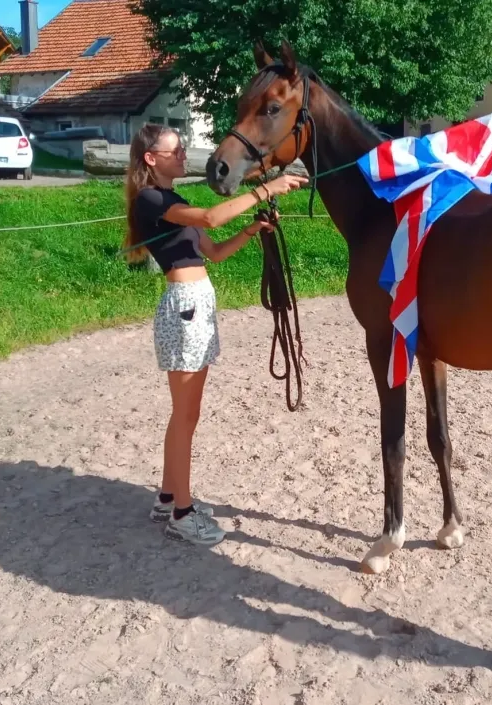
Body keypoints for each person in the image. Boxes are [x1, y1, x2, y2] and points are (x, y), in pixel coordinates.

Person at [123, 123, 308, 546]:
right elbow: (211, 216)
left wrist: (251, 230)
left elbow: (216, 251)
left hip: (196, 305)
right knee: (186, 417)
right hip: (185, 307)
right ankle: (182, 514)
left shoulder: (173, 201)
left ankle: (169, 497)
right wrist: (267, 189)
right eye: (175, 151)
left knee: (184, 415)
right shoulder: (153, 199)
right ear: (151, 159)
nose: (182, 155)